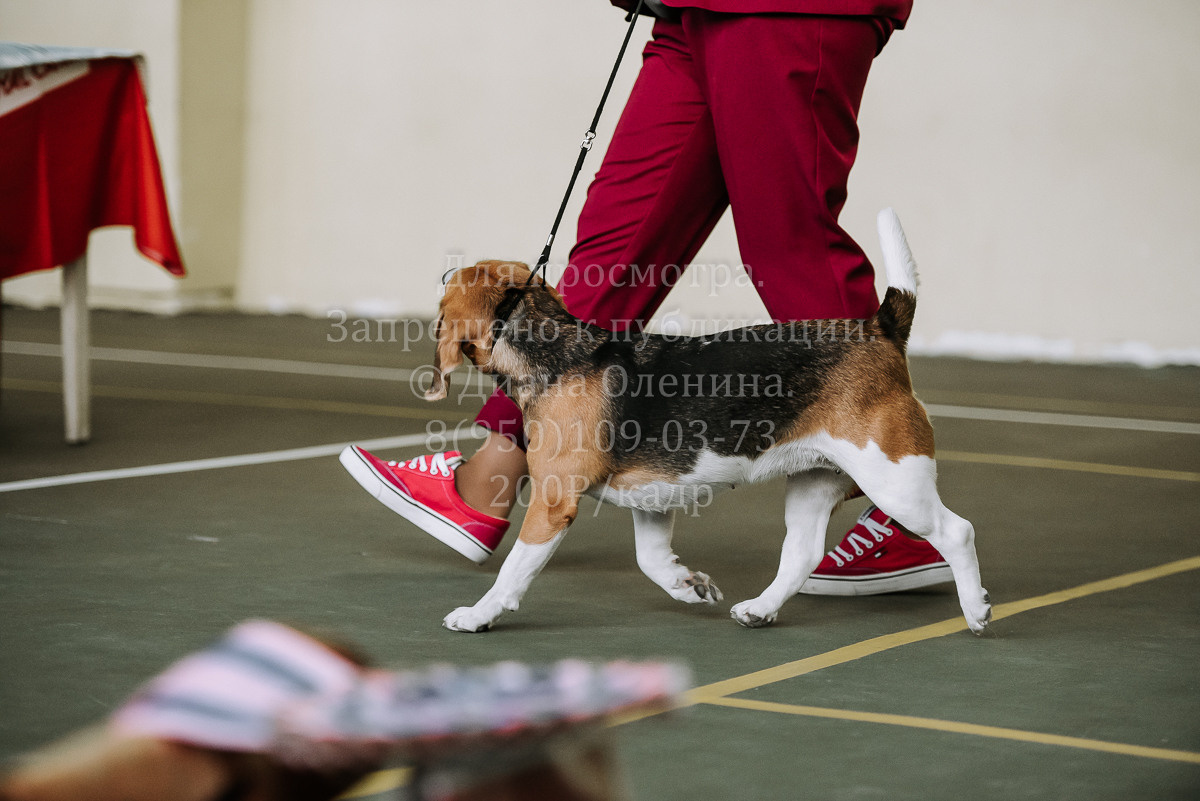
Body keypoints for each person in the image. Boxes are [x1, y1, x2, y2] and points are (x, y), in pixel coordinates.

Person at [342, 0, 953, 594]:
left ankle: (900, 509)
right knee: (614, 246)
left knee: (789, 246)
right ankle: (491, 481)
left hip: (788, 8)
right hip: (690, 10)